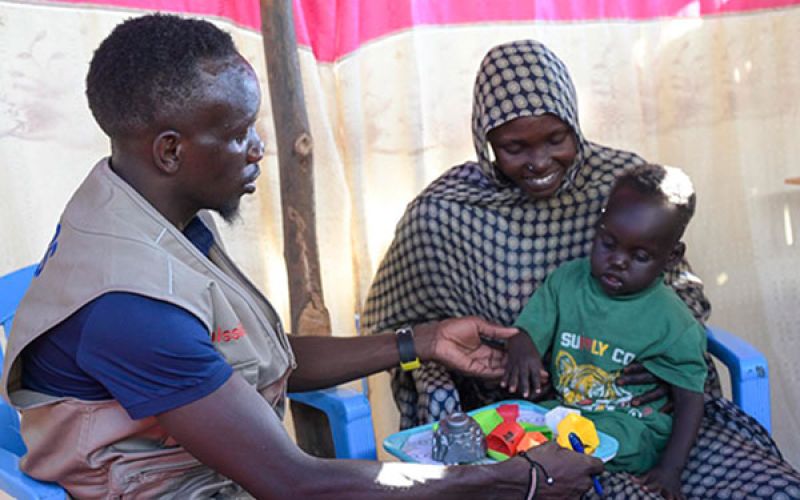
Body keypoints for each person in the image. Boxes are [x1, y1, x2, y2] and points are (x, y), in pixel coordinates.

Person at [0, 16, 602, 499]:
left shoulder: (149, 211)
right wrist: (518, 479)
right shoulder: (130, 304)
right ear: (169, 151)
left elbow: (259, 360)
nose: (260, 148)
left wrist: (421, 341)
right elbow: (295, 481)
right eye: (238, 133)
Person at [363, 39, 800, 498]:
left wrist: (639, 358)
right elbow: (398, 329)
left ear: (575, 122)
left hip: (648, 412)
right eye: (514, 147)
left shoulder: (621, 181)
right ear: (485, 140)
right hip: (524, 419)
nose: (539, 162)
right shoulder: (445, 213)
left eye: (557, 139)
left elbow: (679, 294)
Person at [505, 164, 706, 499]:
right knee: (517, 431)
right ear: (598, 228)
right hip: (567, 411)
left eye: (639, 256)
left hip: (629, 427)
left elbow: (689, 400)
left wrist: (670, 469)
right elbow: (527, 332)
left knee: (565, 453)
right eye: (608, 243)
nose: (618, 261)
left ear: (671, 258)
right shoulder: (566, 282)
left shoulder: (673, 321)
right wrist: (522, 348)